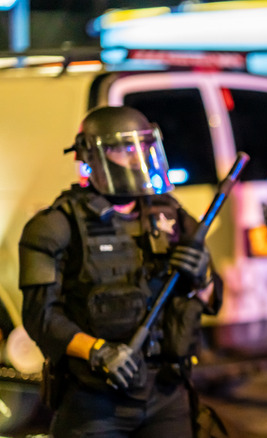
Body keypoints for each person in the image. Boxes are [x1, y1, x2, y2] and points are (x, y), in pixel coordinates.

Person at [18, 106, 222, 437]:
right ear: (90, 157)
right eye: (123, 148)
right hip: (96, 399)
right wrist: (96, 350)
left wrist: (203, 279)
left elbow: (212, 298)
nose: (134, 157)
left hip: (169, 393)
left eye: (140, 147)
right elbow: (40, 316)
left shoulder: (169, 215)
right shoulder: (55, 225)